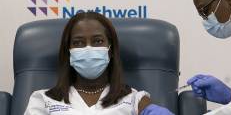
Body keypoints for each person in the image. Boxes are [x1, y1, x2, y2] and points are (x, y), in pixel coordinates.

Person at [24, 12, 174, 115]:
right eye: (78, 43)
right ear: (68, 51)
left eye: (98, 41)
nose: (88, 48)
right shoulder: (43, 99)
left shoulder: (134, 99)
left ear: (110, 49)